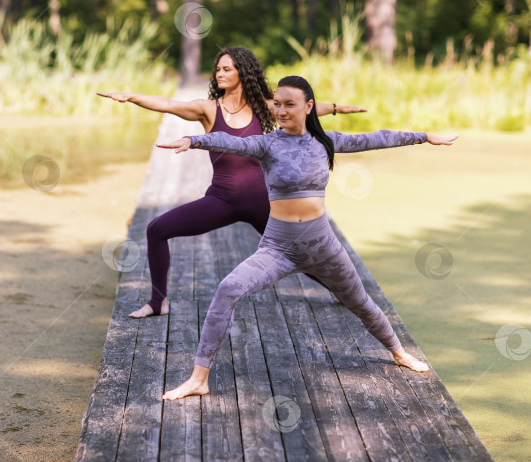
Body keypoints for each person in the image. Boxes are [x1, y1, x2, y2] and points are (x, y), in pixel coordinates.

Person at [157, 75, 459, 400]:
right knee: (228, 289)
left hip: (323, 247)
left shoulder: (326, 141)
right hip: (278, 247)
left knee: (359, 301)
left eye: (290, 104)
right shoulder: (267, 143)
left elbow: (377, 138)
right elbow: (231, 141)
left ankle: (399, 352)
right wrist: (194, 140)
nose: (282, 110)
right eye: (278, 104)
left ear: (309, 106)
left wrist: (425, 137)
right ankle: (198, 379)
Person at [98, 47, 366, 318]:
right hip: (222, 200)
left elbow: (301, 109)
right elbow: (168, 104)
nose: (219, 74)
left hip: (262, 200)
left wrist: (335, 108)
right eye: (218, 69)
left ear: (243, 72)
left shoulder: (263, 105)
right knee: (156, 229)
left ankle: (345, 293)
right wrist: (130, 96)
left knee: (299, 252)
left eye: (227, 69)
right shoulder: (208, 109)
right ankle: (158, 302)